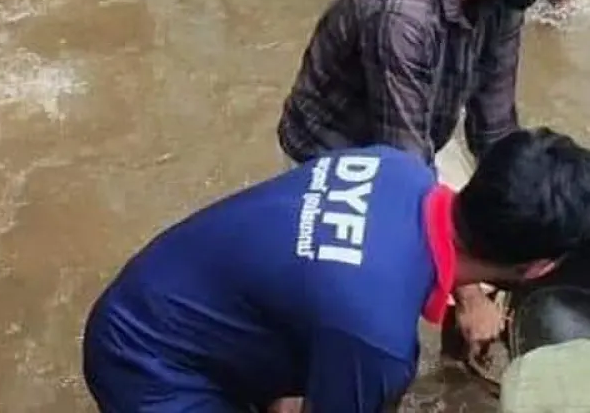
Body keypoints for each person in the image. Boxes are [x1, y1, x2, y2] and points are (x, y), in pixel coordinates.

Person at [277, 0, 590, 362]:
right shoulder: (403, 16)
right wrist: (466, 292)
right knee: (379, 322)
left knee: (508, 244)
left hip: (416, 133)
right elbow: (401, 173)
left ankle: (456, 370)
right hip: (341, 157)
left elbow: (493, 127)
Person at [82, 128, 590, 413]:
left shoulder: (395, 166)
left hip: (153, 293)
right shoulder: (380, 340)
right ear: (539, 267)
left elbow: (312, 270)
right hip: (146, 365)